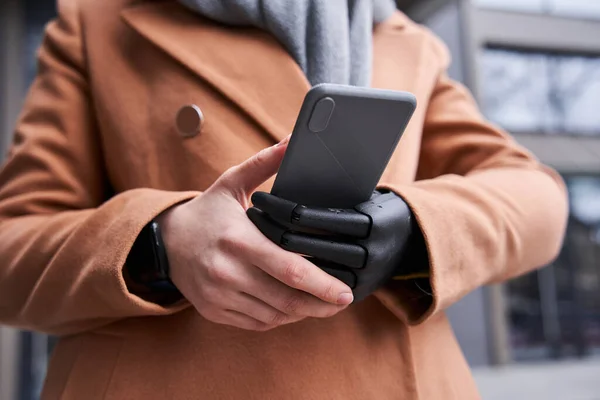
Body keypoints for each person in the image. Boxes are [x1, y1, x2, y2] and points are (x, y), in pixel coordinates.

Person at [0, 0, 568, 399]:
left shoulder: (404, 39)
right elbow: (12, 247)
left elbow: (536, 196)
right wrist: (159, 241)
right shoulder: (96, 22)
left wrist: (417, 228)